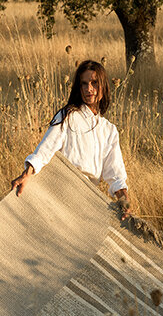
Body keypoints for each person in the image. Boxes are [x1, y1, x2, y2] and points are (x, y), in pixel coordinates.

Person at [10, 60, 130, 217]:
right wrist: (27, 174)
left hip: (88, 199)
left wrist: (124, 200)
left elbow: (115, 173)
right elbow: (45, 149)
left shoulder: (109, 130)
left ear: (103, 86)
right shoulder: (67, 116)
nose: (89, 89)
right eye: (84, 84)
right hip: (60, 195)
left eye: (94, 83)